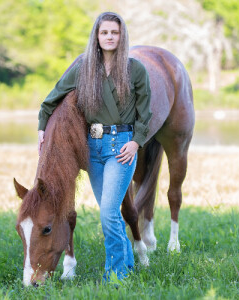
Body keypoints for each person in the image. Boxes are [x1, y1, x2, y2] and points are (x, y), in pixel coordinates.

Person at [37, 12, 152, 281]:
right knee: (109, 214)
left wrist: (136, 142)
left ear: (121, 36)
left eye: (114, 32)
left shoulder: (135, 69)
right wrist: (42, 128)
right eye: (104, 33)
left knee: (109, 213)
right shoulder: (84, 68)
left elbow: (145, 114)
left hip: (122, 147)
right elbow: (50, 100)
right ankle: (127, 265)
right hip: (93, 149)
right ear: (96, 37)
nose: (110, 37)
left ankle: (115, 276)